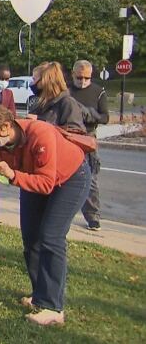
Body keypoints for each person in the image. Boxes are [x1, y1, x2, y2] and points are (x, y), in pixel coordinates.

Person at [0, 104, 91, 326]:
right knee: (31, 237)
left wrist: (14, 175)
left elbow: (45, 184)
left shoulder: (40, 133)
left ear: (5, 127)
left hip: (70, 178)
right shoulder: (1, 144)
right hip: (32, 175)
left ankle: (53, 308)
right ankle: (40, 296)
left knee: (51, 237)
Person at [69, 60, 109, 231]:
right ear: (73, 74)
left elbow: (105, 117)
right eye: (79, 77)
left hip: (88, 137)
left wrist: (91, 115)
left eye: (86, 78)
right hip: (69, 135)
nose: (83, 81)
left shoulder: (98, 92)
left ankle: (92, 215)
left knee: (90, 178)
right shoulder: (67, 91)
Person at [27, 62, 85, 131]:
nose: (32, 83)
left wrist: (40, 120)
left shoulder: (67, 102)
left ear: (45, 81)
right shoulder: (41, 102)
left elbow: (75, 131)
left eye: (34, 79)